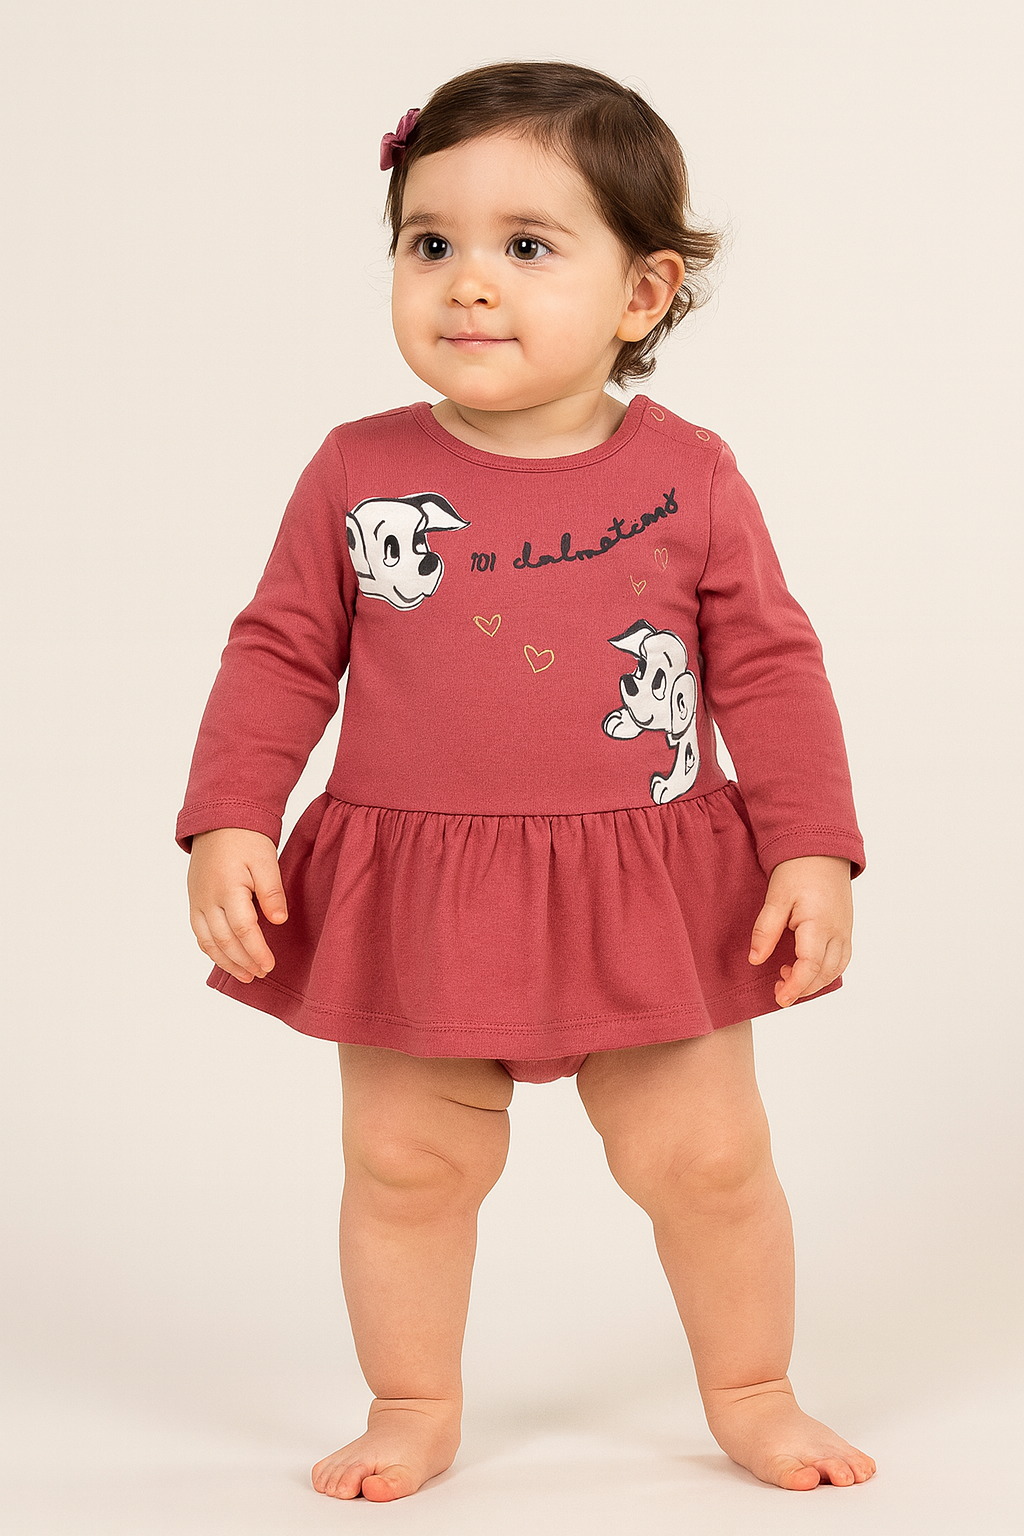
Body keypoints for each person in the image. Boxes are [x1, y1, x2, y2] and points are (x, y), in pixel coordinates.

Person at [177, 60, 876, 1502]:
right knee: (406, 1168)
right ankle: (411, 1402)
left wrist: (811, 844)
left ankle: (753, 1386)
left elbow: (768, 666)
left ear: (643, 294)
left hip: (651, 887)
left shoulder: (692, 476)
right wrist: (231, 816)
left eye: (528, 246)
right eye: (430, 242)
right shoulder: (356, 471)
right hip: (418, 890)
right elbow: (280, 650)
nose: (470, 284)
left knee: (710, 1164)